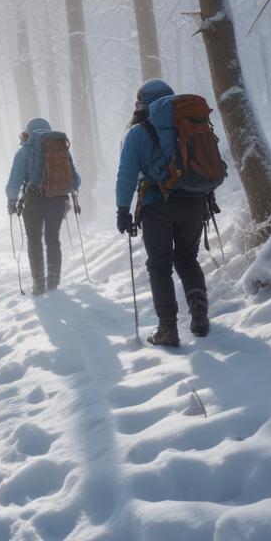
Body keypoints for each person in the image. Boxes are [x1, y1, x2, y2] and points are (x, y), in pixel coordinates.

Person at [115, 79, 210, 346]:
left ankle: (168, 329)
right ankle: (198, 308)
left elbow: (126, 175)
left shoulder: (136, 133)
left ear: (141, 103)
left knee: (159, 266)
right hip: (194, 201)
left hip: (157, 206)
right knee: (187, 259)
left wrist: (123, 209)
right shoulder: (189, 124)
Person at [5, 117, 81, 295]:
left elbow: (14, 182)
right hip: (57, 201)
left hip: (33, 202)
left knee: (34, 240)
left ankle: (38, 284)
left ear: (28, 132)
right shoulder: (61, 149)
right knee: (53, 239)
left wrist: (12, 201)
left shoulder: (25, 151)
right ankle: (53, 282)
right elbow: (75, 181)